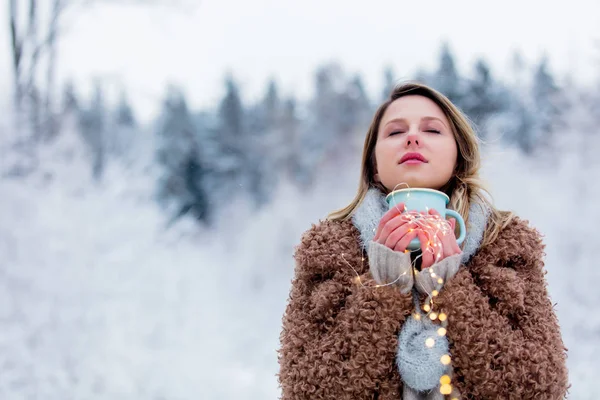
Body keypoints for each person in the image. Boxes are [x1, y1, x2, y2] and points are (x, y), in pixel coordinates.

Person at [277, 82, 569, 399]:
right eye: (394, 132)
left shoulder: (506, 243)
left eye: (432, 130)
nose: (412, 138)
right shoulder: (328, 249)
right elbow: (307, 390)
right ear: (373, 165)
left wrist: (451, 287)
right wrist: (386, 288)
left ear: (458, 156)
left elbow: (538, 389)